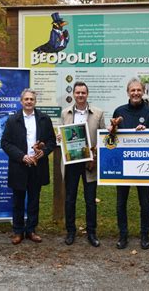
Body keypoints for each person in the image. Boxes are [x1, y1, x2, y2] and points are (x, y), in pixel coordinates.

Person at [110, 78, 149, 250]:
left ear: (143, 92)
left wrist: (146, 133)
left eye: (139, 90)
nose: (136, 93)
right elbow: (111, 139)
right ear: (128, 92)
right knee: (120, 202)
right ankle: (122, 235)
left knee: (145, 202)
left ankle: (145, 235)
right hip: (122, 164)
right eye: (133, 90)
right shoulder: (119, 111)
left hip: (144, 165)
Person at [1, 88, 56, 245]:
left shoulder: (44, 119)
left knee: (34, 199)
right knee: (18, 200)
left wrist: (43, 152)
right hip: (19, 165)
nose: (29, 101)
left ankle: (31, 230)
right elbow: (5, 143)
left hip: (37, 166)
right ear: (21, 101)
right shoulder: (13, 120)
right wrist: (21, 156)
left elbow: (52, 141)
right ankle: (18, 231)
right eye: (26, 99)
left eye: (32, 99)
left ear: (35, 101)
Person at [59, 81, 105, 247]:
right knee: (70, 198)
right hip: (72, 162)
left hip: (90, 164)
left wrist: (95, 157)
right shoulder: (65, 113)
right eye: (77, 93)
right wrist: (60, 139)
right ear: (74, 94)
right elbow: (63, 135)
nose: (80, 95)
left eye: (83, 93)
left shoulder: (98, 113)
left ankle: (91, 232)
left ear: (87, 94)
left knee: (90, 199)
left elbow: (103, 138)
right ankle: (70, 231)